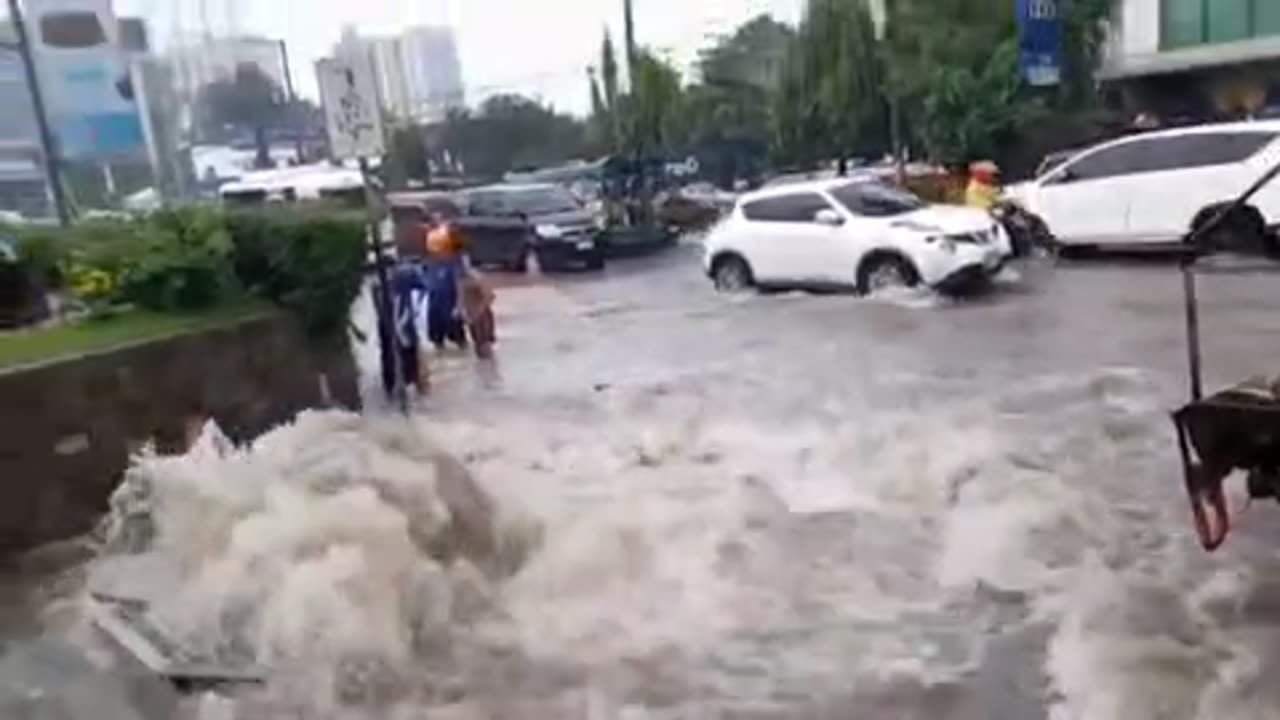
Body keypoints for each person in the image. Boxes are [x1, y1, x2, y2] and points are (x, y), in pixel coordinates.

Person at [424, 221, 468, 352]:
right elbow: (426, 285)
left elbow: (460, 284)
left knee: (458, 337)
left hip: (450, 305)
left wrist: (459, 307)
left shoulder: (454, 264)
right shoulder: (431, 264)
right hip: (435, 306)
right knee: (437, 339)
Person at [459, 257, 497, 359]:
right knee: (478, 346)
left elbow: (490, 296)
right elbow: (461, 296)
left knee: (485, 345)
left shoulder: (477, 278)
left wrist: (479, 311)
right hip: (472, 316)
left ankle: (490, 371)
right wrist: (461, 310)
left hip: (482, 316)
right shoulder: (462, 278)